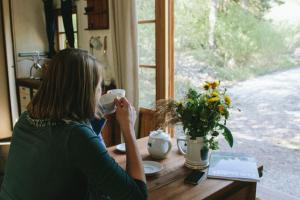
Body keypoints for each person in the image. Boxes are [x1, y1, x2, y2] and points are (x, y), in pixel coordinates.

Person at [0, 49, 147, 200]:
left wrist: (97, 110)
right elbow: (137, 197)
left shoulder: (25, 119)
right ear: (86, 93)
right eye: (98, 87)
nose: (100, 92)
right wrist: (128, 127)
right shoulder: (76, 136)